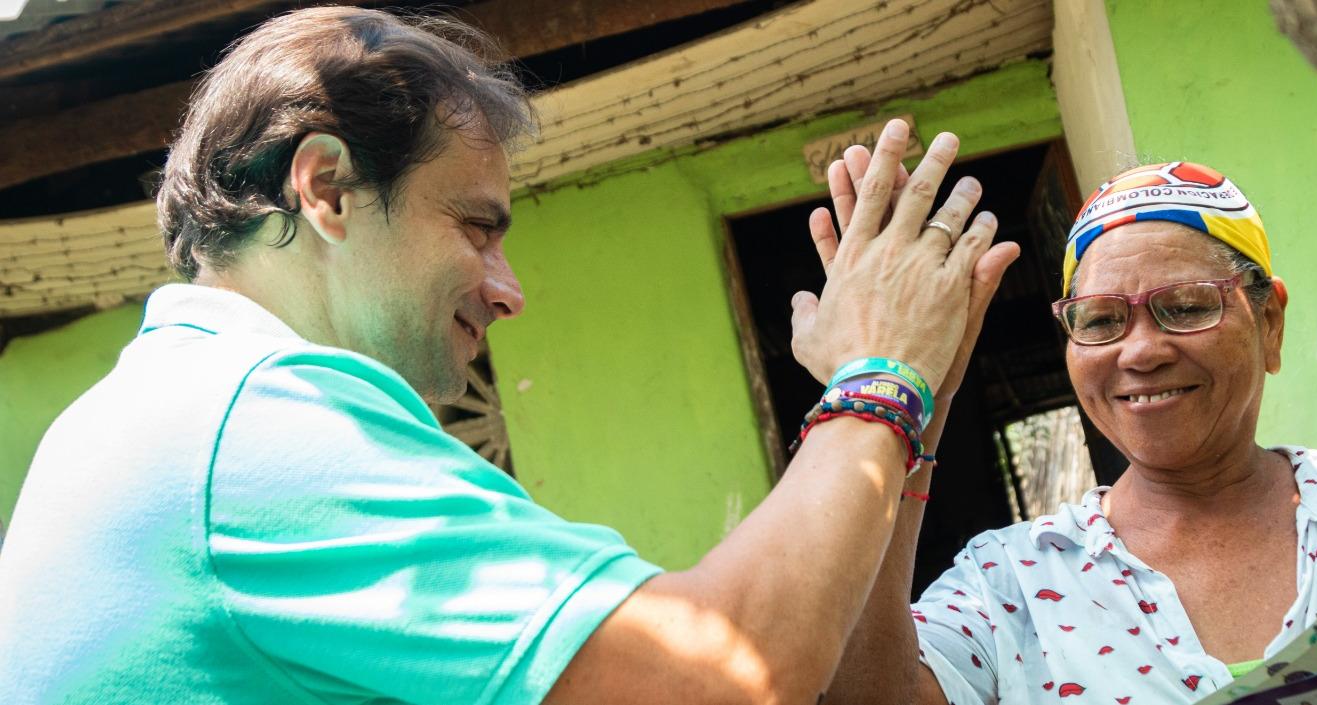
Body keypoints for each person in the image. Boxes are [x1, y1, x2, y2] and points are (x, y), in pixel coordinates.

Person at [0, 7, 1022, 704]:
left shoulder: (160, 413)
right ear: (324, 188)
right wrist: (880, 374)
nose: (507, 288)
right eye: (476, 227)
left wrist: (895, 415)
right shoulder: (254, 427)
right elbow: (722, 670)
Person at [807, 161, 1317, 703]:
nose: (1139, 350)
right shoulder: (1013, 583)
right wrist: (913, 405)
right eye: (1101, 320)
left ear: (1267, 320)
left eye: (1183, 305)